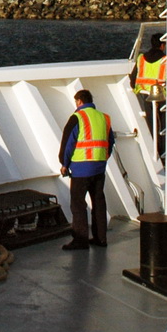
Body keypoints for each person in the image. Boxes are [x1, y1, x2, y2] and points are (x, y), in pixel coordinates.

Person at [59, 89, 114, 250]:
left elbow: (68, 144)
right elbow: (110, 142)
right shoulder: (104, 118)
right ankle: (100, 238)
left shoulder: (77, 117)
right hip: (99, 168)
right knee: (98, 202)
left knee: (78, 204)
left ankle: (80, 240)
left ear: (79, 101)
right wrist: (102, 159)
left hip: (81, 169)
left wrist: (64, 164)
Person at [133, 32, 167, 154]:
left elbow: (133, 79)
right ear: (162, 45)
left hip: (146, 95)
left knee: (152, 125)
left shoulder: (141, 58)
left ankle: (154, 150)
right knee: (164, 126)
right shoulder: (166, 60)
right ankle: (164, 151)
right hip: (163, 96)